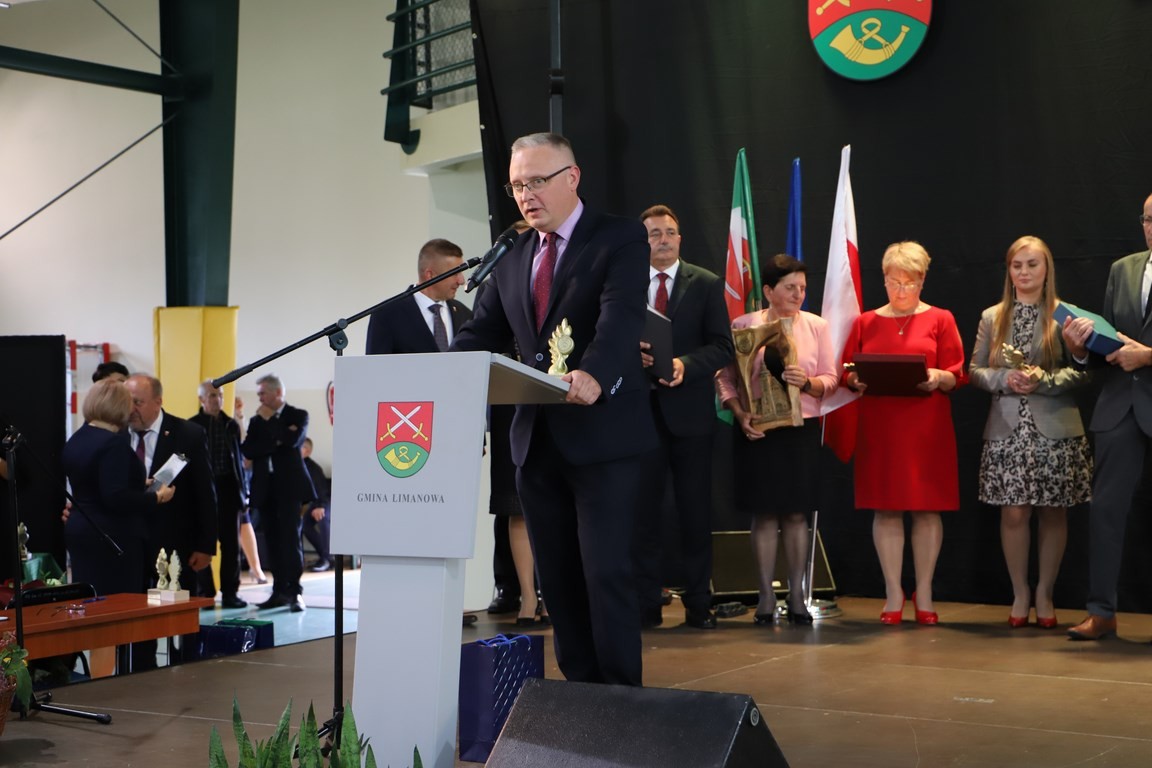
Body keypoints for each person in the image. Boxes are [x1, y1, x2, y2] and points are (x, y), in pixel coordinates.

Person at [451, 132, 656, 685]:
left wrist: (595, 373)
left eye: (537, 181)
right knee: (558, 582)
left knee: (605, 573)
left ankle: (621, 700)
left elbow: (620, 316)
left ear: (572, 177)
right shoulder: (513, 254)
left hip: (601, 435)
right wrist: (438, 374)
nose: (526, 194)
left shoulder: (617, 237)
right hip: (535, 442)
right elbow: (481, 333)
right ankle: (580, 696)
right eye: (517, 185)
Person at [969, 237, 1091, 629]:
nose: (1023, 272)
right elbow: (975, 371)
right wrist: (1004, 378)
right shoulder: (992, 317)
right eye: (1016, 265)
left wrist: (1044, 381)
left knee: (1053, 512)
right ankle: (1020, 592)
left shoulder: (1066, 316)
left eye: (1032, 264)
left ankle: (1045, 593)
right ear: (1008, 271)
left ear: (1047, 269)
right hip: (1007, 429)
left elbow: (1083, 372)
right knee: (1014, 512)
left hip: (1055, 429)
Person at [842, 241, 966, 625]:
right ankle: (893, 591)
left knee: (927, 508)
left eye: (909, 283)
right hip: (880, 426)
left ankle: (924, 590)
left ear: (923, 280)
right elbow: (846, 371)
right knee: (886, 507)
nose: (901, 290)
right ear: (883, 279)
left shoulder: (941, 319)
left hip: (926, 426)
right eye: (894, 282)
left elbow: (958, 373)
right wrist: (855, 380)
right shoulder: (865, 322)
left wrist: (938, 376)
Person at [716, 254, 837, 626]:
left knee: (797, 513)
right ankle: (766, 595)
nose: (799, 294)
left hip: (801, 428)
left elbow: (831, 377)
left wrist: (809, 383)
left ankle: (797, 593)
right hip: (757, 429)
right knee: (764, 512)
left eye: (802, 287)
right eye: (790, 287)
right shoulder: (743, 325)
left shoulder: (816, 326)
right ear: (769, 291)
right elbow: (725, 378)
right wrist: (739, 413)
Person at [634, 204, 733, 630]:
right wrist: (631, 356)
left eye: (670, 232)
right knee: (644, 514)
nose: (663, 240)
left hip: (690, 415)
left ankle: (698, 603)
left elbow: (723, 346)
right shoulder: (625, 283)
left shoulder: (705, 283)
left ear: (680, 238)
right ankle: (646, 604)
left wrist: (684, 365)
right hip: (639, 415)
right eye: (654, 233)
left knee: (695, 512)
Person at [1061, 194, 1152, 641]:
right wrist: (1080, 349)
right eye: (1149, 219)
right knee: (1106, 512)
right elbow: (1107, 347)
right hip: (1121, 406)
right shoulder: (1123, 269)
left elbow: (1138, 352)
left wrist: (1148, 356)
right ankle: (1101, 612)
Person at [63, 379, 175, 677]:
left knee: (94, 609)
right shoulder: (112, 443)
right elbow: (114, 497)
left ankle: (98, 677)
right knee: (112, 616)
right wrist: (156, 498)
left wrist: (140, 483)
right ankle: (105, 683)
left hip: (83, 531)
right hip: (112, 539)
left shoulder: (79, 437)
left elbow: (95, 483)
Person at [241, 373, 315, 612]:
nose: (260, 398)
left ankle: (294, 591)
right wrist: (276, 440)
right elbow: (249, 449)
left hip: (290, 488)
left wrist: (272, 423)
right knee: (272, 541)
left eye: (263, 393)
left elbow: (293, 441)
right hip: (266, 488)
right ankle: (278, 590)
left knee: (291, 540)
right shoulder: (256, 421)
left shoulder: (298, 415)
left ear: (278, 393)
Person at [189, 380, 250, 608]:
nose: (218, 400)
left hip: (228, 490)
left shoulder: (230, 424)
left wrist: (243, 493)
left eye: (220, 395)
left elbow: (240, 458)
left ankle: (231, 593)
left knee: (231, 545)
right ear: (202, 399)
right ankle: (205, 593)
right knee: (203, 542)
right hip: (202, 491)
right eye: (213, 395)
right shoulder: (192, 426)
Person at [365, 238, 473, 355]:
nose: (461, 281)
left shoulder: (465, 314)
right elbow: (376, 365)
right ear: (430, 275)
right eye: (455, 273)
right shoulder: (387, 314)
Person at [300, 437, 332, 572]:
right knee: (304, 525)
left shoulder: (313, 468)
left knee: (323, 519)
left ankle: (326, 559)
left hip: (325, 502)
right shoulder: (295, 466)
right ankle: (325, 557)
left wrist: (320, 506)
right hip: (314, 503)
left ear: (307, 451)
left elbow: (322, 490)